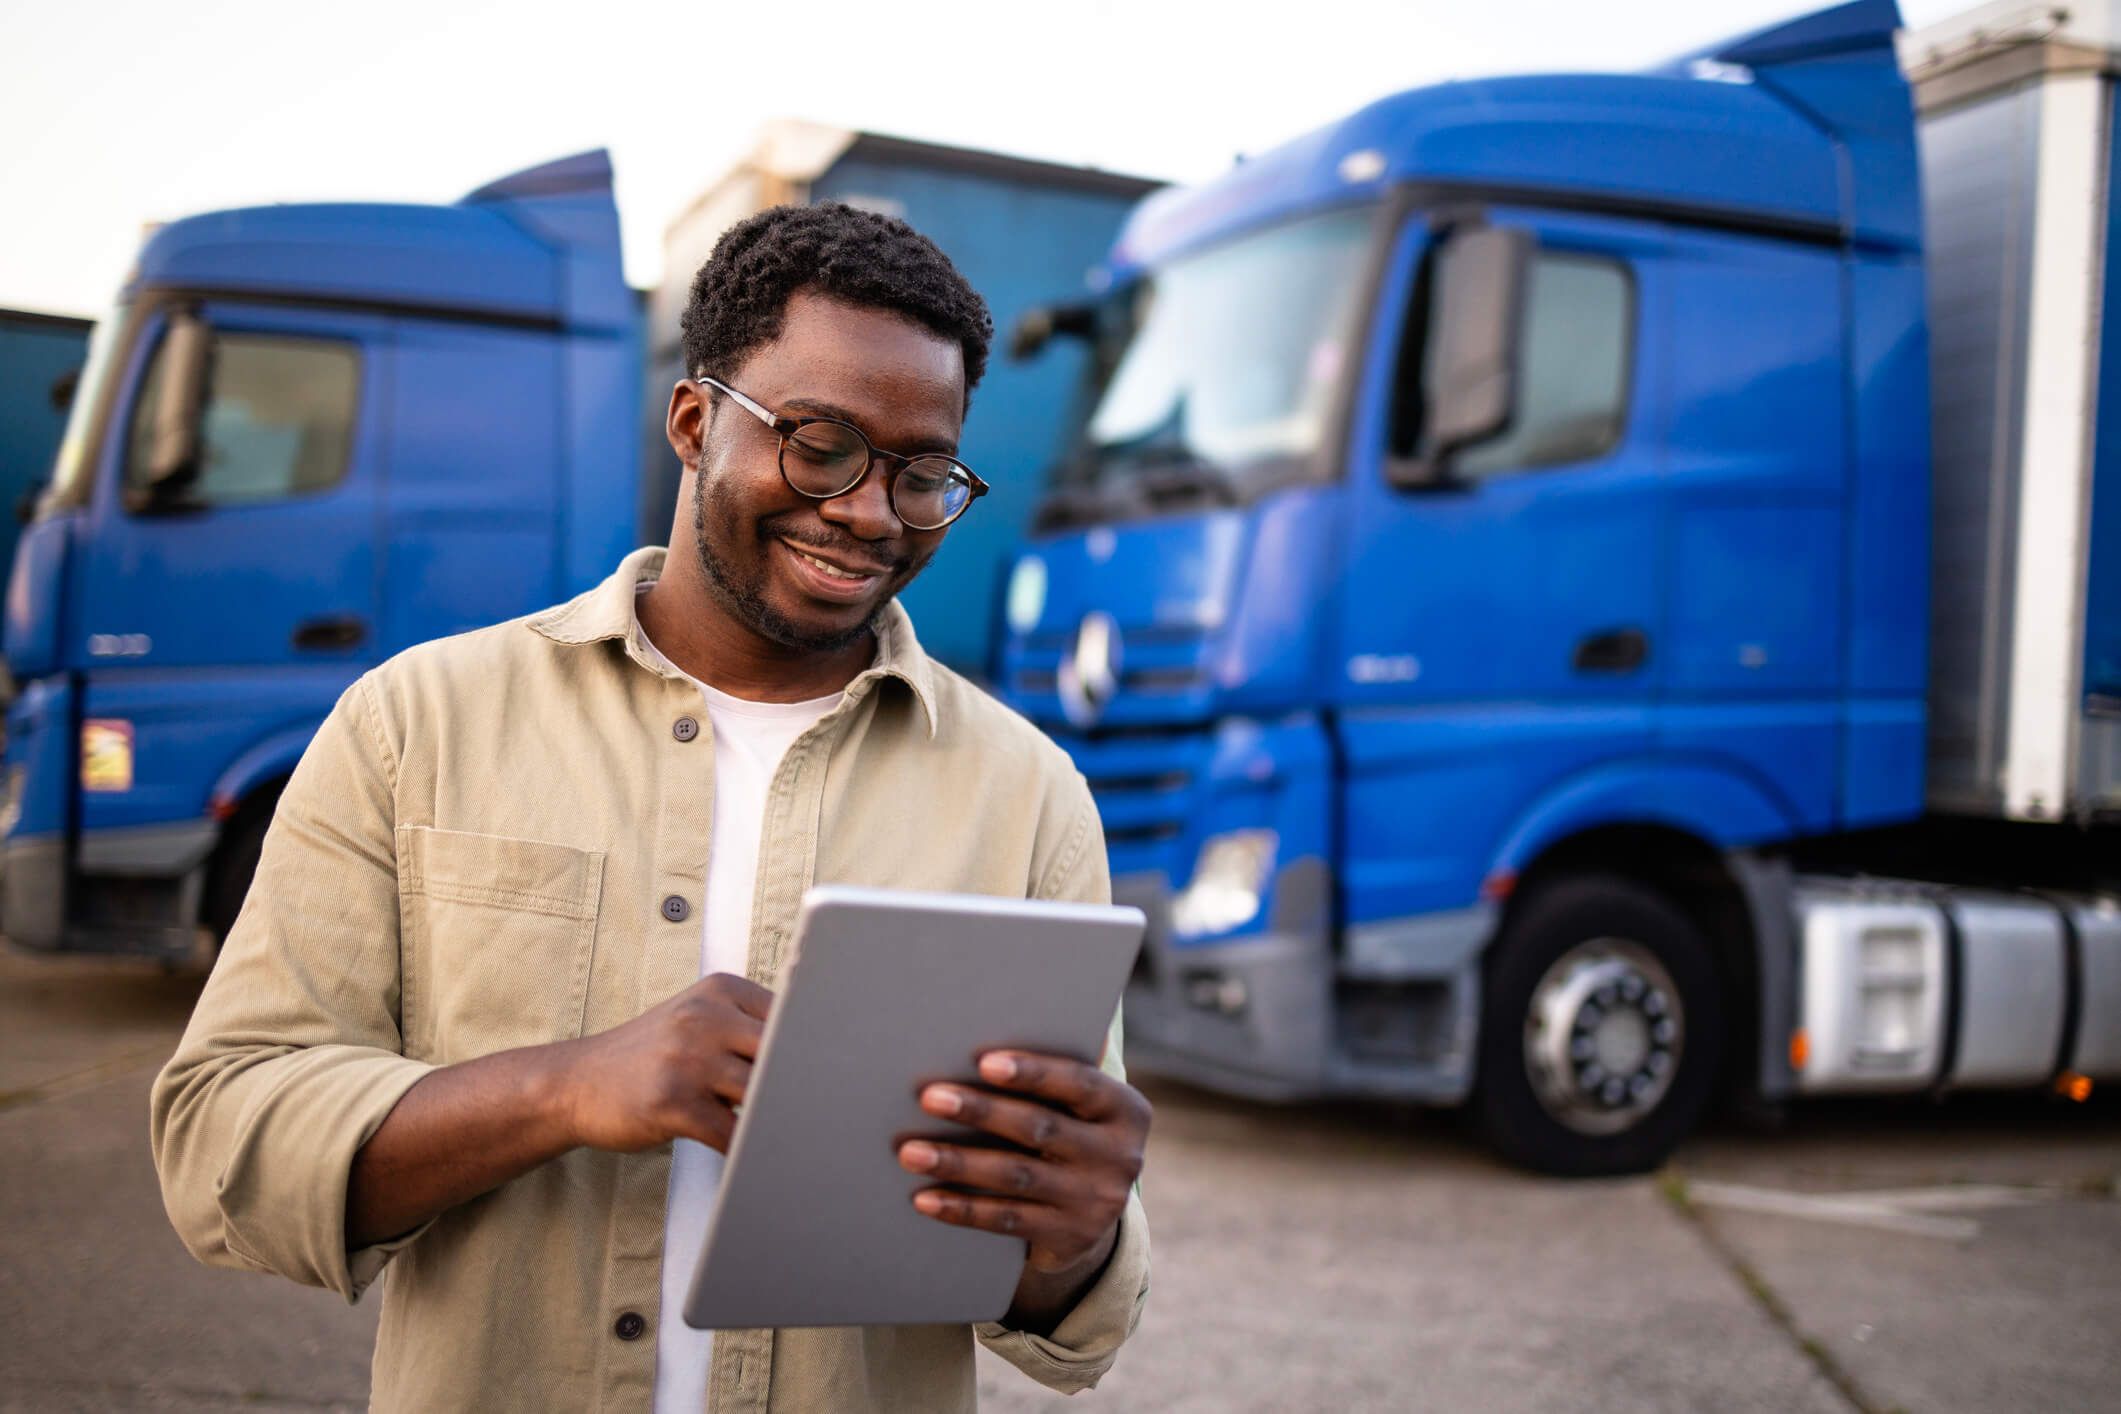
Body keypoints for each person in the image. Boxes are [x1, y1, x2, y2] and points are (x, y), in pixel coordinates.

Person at [150, 203, 1152, 1413]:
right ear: (694, 422)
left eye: (923, 473)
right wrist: (566, 1088)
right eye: (820, 443)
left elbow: (1070, 1322)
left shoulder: (1029, 794)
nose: (870, 511)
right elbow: (220, 1147)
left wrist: (1075, 1235)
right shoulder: (415, 723)